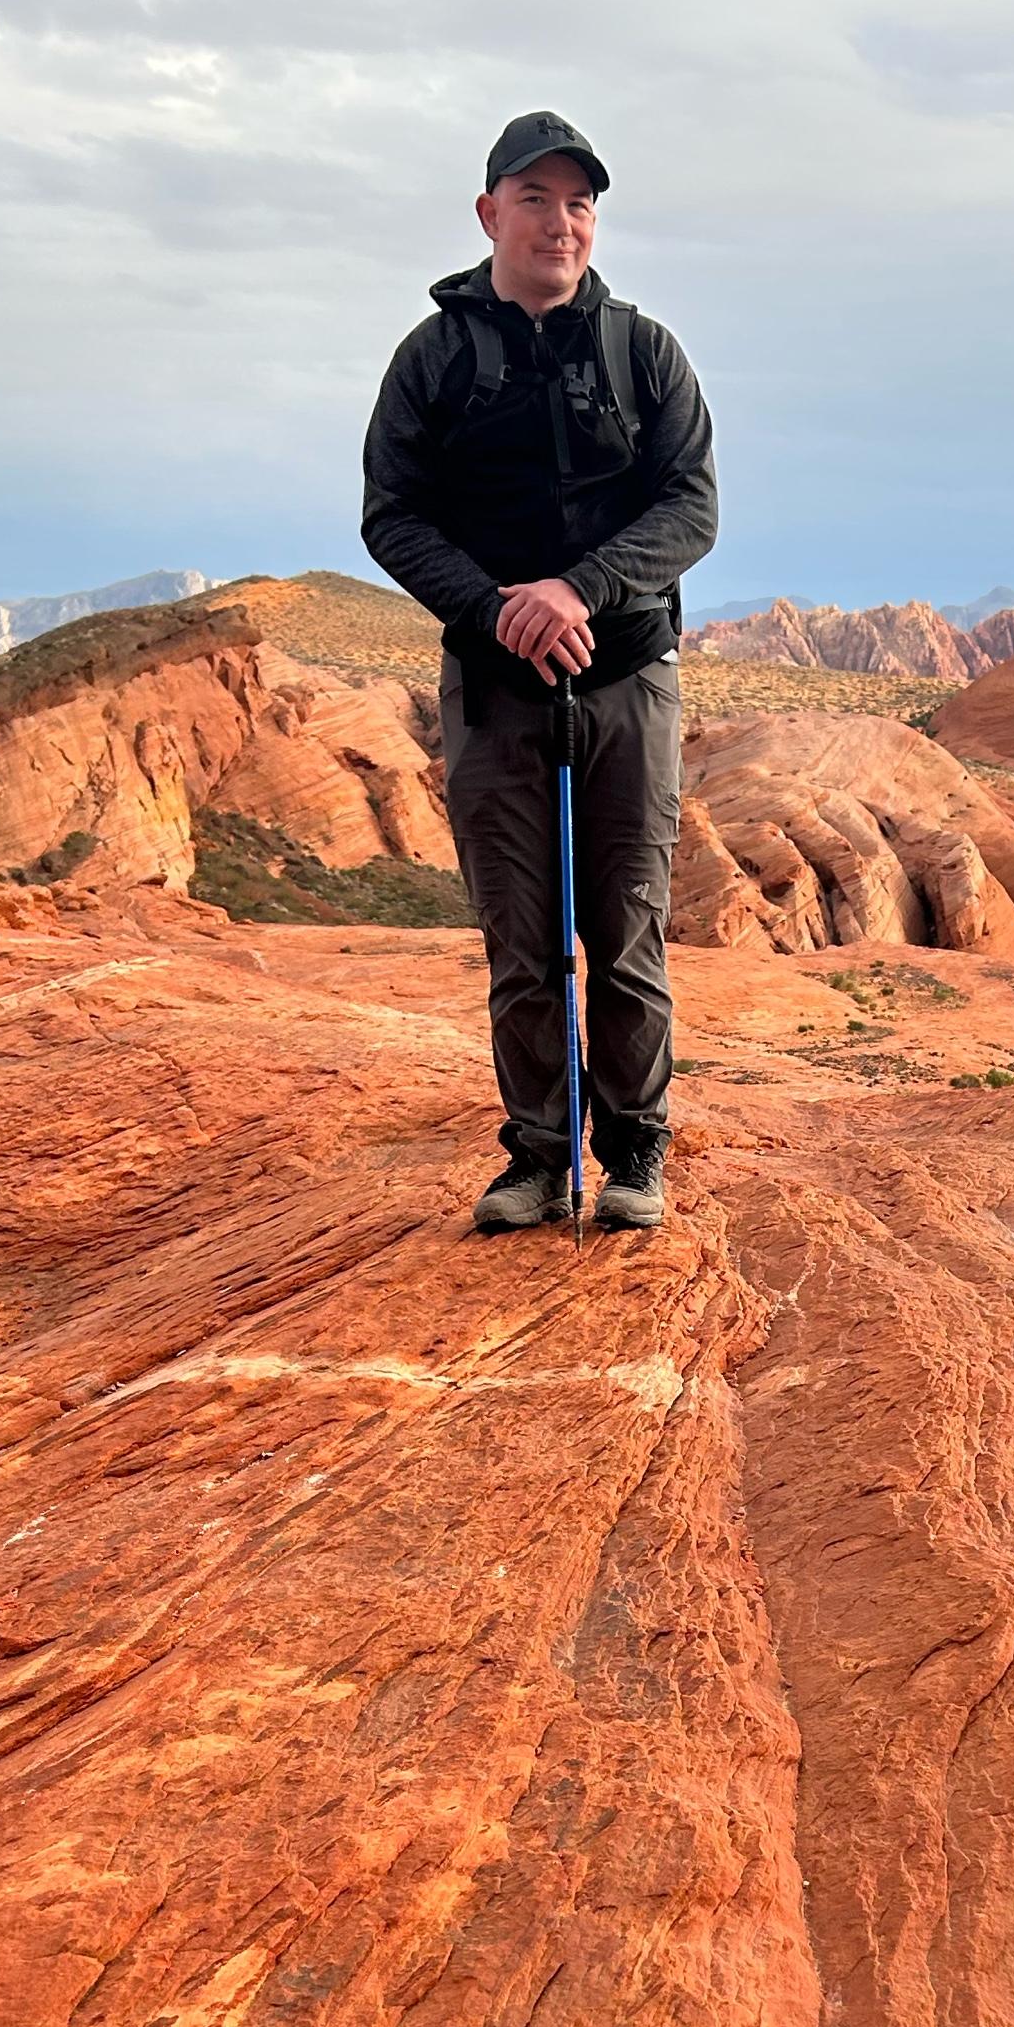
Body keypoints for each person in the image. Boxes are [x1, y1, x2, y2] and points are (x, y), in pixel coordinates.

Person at [362, 112, 717, 1232]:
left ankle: (636, 1152)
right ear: (488, 214)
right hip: (495, 686)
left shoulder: (643, 352)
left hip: (626, 679)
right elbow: (392, 515)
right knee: (522, 940)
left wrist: (578, 589)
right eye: (535, 199)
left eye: (579, 203)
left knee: (626, 933)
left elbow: (691, 507)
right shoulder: (432, 359)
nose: (560, 223)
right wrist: (500, 611)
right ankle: (536, 1155)